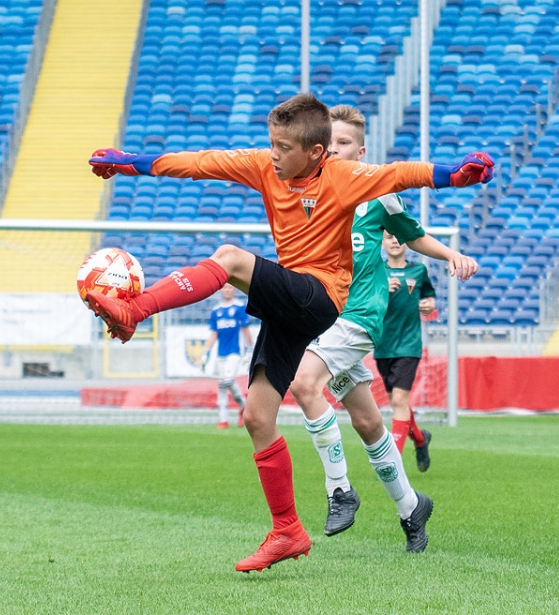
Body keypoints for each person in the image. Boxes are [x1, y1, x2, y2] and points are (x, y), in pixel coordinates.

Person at [86, 93, 494, 572]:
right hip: (291, 305)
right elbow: (198, 162)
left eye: (283, 146)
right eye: (272, 144)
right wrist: (129, 164)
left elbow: (407, 173)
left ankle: (135, 310)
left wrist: (456, 174)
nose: (273, 153)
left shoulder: (348, 177)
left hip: (326, 300)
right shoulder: (264, 166)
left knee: (231, 258)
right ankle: (289, 531)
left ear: (316, 153)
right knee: (258, 417)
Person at [290, 105, 477, 546]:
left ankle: (339, 491)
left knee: (303, 383)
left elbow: (411, 235)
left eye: (344, 143)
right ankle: (412, 507)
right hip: (322, 315)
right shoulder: (304, 193)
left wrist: (451, 255)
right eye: (329, 143)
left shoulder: (377, 192)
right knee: (368, 422)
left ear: (361, 151)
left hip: (359, 315)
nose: (334, 150)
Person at [376, 231, 436, 472]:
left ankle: (393, 463)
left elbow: (429, 297)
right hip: (383, 345)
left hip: (409, 344)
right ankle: (421, 440)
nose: (395, 241)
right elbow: (360, 300)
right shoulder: (375, 271)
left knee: (400, 400)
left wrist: (429, 304)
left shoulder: (419, 270)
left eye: (399, 237)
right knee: (396, 403)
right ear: (382, 241)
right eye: (389, 236)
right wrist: (380, 289)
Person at [202, 283, 252, 429]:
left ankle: (244, 406)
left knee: (227, 381)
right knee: (222, 385)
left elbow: (246, 329)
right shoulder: (216, 311)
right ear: (221, 290)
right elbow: (214, 334)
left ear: (234, 289)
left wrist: (250, 350)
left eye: (230, 288)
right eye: (225, 288)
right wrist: (206, 352)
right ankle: (223, 419)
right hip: (220, 354)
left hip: (234, 353)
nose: (227, 290)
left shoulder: (239, 307)